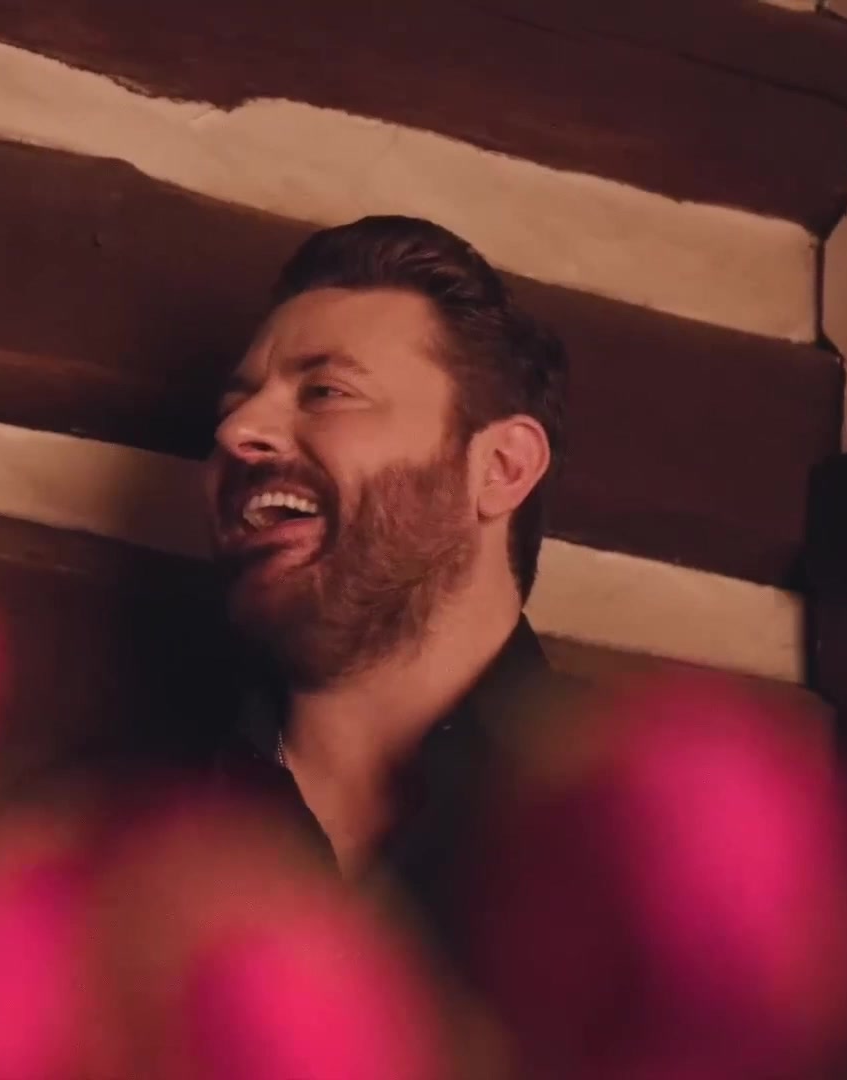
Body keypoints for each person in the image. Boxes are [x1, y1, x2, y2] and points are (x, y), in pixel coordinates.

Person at [203, 214, 574, 966]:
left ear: (500, 468)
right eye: (230, 406)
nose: (236, 430)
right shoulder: (130, 841)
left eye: (326, 391)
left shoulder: (630, 845)